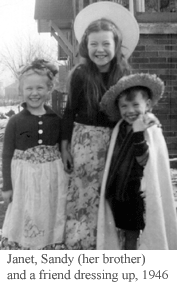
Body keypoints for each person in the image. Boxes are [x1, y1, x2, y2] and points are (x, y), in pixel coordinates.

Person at [61, 2, 140, 249]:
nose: (100, 49)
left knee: (111, 191)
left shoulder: (124, 75)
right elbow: (69, 111)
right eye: (94, 44)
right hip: (84, 143)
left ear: (116, 46)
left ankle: (110, 244)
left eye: (106, 43)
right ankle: (81, 243)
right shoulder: (80, 74)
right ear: (86, 46)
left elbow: (133, 109)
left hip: (116, 142)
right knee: (84, 192)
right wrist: (64, 145)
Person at [98, 73, 177, 250]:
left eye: (135, 105)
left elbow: (145, 160)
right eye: (124, 106)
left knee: (132, 235)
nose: (130, 110)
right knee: (119, 232)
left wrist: (139, 133)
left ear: (147, 105)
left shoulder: (150, 129)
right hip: (119, 192)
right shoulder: (120, 128)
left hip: (136, 193)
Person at [0, 59, 67, 250]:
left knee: (48, 212)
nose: (34, 93)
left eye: (40, 88)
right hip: (24, 180)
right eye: (29, 88)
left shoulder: (56, 119)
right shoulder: (15, 121)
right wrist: (7, 186)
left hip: (51, 179)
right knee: (25, 212)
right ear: (21, 90)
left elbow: (62, 150)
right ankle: (24, 247)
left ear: (49, 89)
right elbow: (6, 155)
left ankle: (48, 246)